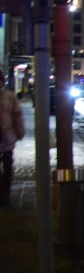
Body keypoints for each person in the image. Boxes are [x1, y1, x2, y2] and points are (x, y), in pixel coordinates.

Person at [0, 71, 25, 206]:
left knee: (8, 166)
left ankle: (6, 193)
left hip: (6, 136)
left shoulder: (9, 96)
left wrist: (19, 132)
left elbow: (17, 115)